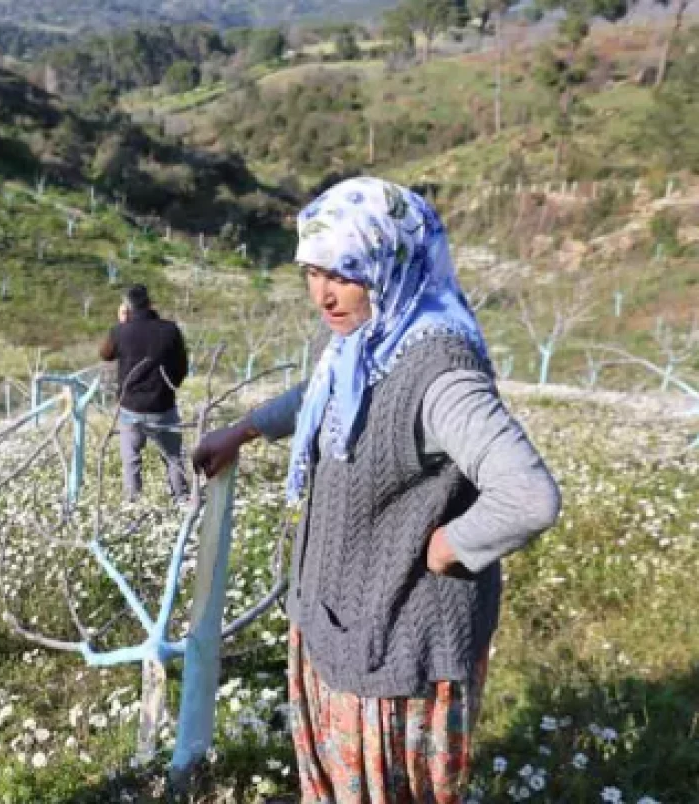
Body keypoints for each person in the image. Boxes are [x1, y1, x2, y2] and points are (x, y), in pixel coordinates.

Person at [192, 177, 561, 803]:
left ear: (391, 262)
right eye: (313, 272)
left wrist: (450, 545)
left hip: (401, 643)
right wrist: (246, 429)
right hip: (343, 619)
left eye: (345, 273)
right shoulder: (364, 340)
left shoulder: (439, 370)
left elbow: (529, 495)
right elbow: (320, 397)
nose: (323, 294)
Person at [99, 284, 190, 503]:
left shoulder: (120, 332)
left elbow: (105, 355)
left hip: (131, 407)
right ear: (150, 304)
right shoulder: (170, 330)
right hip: (162, 406)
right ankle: (183, 500)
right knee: (173, 458)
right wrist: (170, 387)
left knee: (131, 460)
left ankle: (133, 507)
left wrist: (122, 322)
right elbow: (182, 367)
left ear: (127, 308)